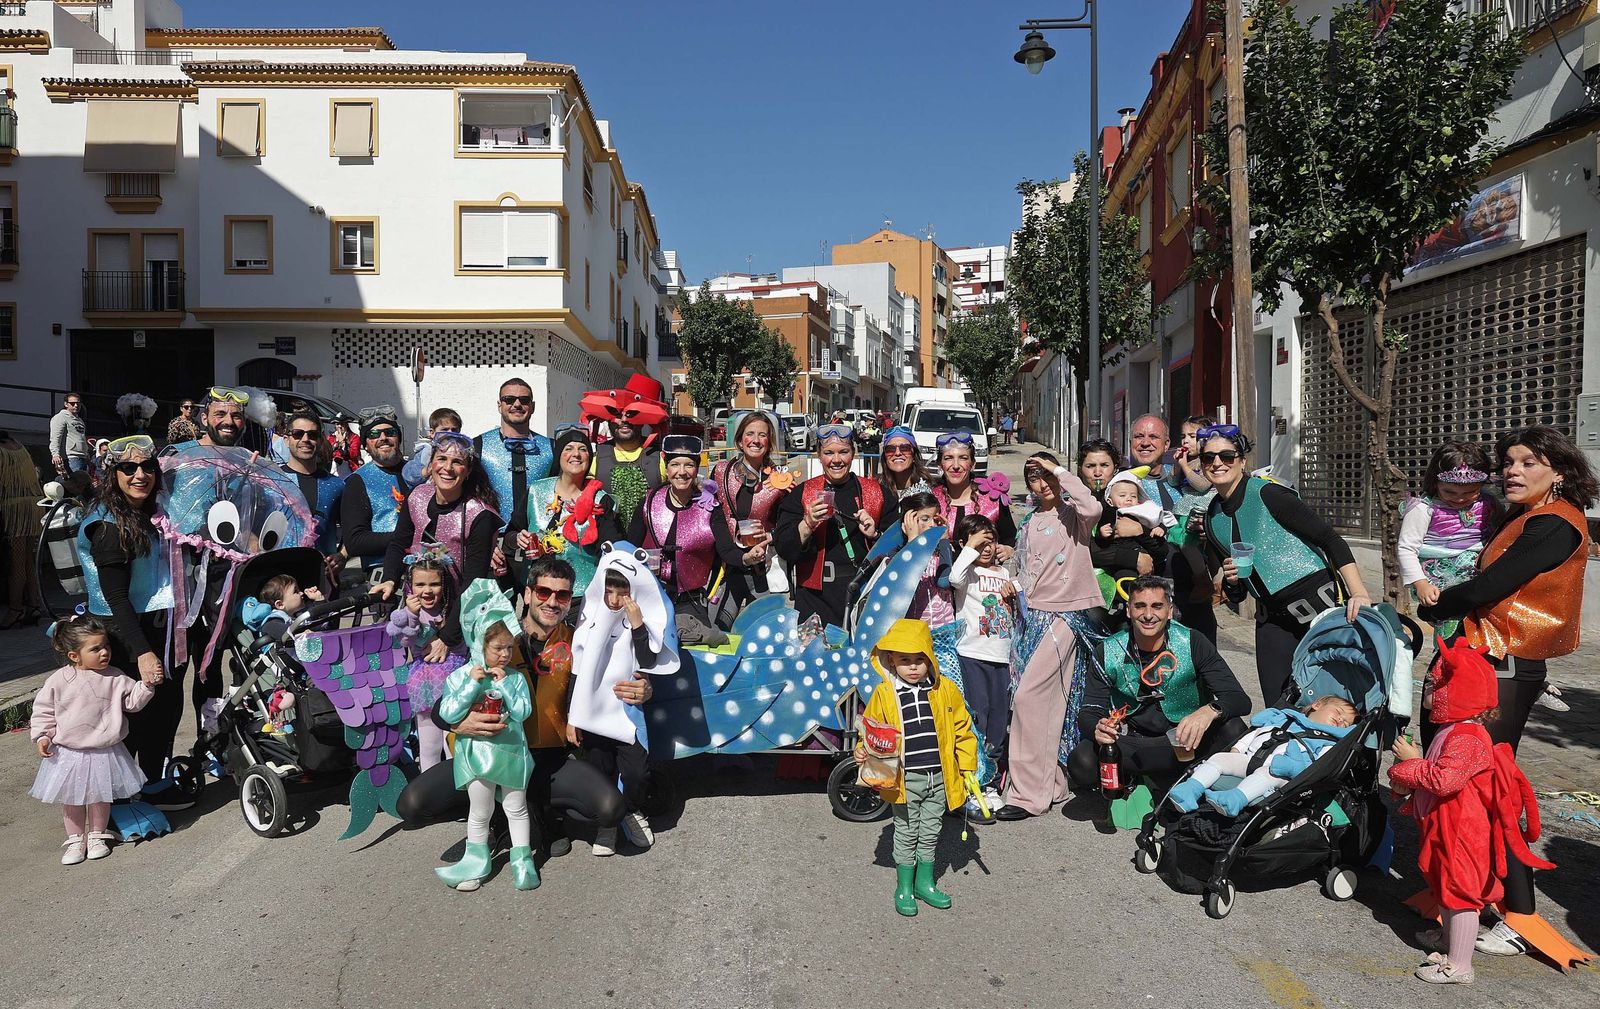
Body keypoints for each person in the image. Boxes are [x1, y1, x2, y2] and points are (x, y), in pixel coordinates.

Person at [1416, 425, 1595, 961]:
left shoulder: (1555, 525)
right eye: (1508, 462)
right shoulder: (1522, 518)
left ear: (1559, 472)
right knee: (1460, 785)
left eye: (1527, 462)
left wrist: (1434, 606)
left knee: (1489, 789)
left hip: (1505, 668)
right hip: (1480, 660)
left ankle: (1519, 913)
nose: (1511, 470)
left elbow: (1490, 587)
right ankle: (1465, 902)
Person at [396, 556, 644, 863]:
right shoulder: (494, 638)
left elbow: (618, 673)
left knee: (609, 807)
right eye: (543, 592)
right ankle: (494, 815)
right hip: (489, 757)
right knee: (412, 804)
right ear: (526, 594)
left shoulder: (579, 641)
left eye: (562, 595)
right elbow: (441, 706)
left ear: (569, 602)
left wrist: (645, 687)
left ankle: (539, 812)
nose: (552, 602)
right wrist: (458, 725)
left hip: (547, 762)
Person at [1388, 637, 1553, 984]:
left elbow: (1445, 780)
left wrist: (1408, 766)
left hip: (1463, 831)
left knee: (1460, 893)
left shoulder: (1467, 736)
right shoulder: (1451, 730)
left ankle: (1460, 965)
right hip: (1445, 826)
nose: (1427, 691)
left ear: (1459, 692)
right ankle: (1450, 941)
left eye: (1435, 685)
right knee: (1444, 884)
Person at [1200, 424, 1372, 703]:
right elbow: (1238, 594)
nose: (1217, 463)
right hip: (1272, 619)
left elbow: (1330, 539)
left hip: (1319, 606)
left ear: (1242, 461)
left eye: (1227, 456)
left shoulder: (1268, 494)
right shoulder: (1212, 517)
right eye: (1209, 458)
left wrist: (1359, 592)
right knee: (1278, 704)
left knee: (1336, 700)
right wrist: (1232, 581)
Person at [73, 435, 184, 807]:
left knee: (162, 710)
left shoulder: (152, 511)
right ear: (113, 474)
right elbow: (116, 597)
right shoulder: (108, 525)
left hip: (156, 623)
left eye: (147, 467)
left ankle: (153, 783)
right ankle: (120, 798)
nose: (140, 475)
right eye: (129, 468)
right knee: (127, 719)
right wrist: (142, 652)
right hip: (122, 635)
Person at [1067, 576, 1251, 797]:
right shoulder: (1108, 650)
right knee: (1082, 762)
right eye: (1140, 606)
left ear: (1170, 610)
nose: (1148, 615)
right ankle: (1148, 778)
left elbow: (1238, 699)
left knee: (1234, 728)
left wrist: (1208, 711)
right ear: (1128, 610)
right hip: (1134, 744)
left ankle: (1184, 777)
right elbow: (1088, 710)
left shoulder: (1192, 641)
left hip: (1185, 743)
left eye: (1157, 606)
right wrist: (1098, 728)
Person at [994, 453, 1103, 821]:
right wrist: (1013, 584)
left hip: (1064, 619)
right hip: (1031, 618)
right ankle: (1051, 784)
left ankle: (1027, 796)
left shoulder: (1075, 516)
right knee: (1046, 704)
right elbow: (1027, 571)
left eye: (1047, 476)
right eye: (1034, 478)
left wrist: (1059, 470)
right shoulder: (1029, 521)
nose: (1043, 485)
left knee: (1030, 700)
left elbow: (1092, 504)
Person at [853, 617, 977, 916]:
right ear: (892, 661)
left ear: (930, 660)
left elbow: (962, 728)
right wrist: (862, 751)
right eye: (905, 660)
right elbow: (872, 731)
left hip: (939, 777)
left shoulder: (944, 690)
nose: (912, 667)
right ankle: (904, 886)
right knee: (907, 831)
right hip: (904, 779)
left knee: (932, 830)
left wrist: (967, 766)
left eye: (919, 660)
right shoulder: (885, 694)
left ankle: (925, 882)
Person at [431, 578, 539, 892]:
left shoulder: (515, 678)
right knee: (479, 810)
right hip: (477, 754)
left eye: (509, 647)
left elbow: (522, 712)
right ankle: (476, 862)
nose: (505, 654)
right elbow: (448, 714)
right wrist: (470, 686)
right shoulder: (460, 676)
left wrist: (505, 684)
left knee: (516, 807)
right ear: (479, 642)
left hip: (509, 753)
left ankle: (523, 862)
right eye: (497, 648)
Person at [30, 615, 155, 865]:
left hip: (105, 750)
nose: (104, 652)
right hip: (68, 752)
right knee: (72, 799)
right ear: (74, 655)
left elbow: (132, 703)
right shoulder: (58, 680)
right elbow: (43, 710)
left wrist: (147, 686)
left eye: (106, 646)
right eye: (95, 649)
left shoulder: (116, 677)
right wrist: (43, 736)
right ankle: (75, 839)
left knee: (100, 797)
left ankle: (97, 835)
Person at [568, 565, 675, 856]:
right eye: (609, 592)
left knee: (637, 772)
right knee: (598, 768)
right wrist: (572, 717)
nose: (615, 600)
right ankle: (608, 823)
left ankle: (629, 810)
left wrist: (638, 625)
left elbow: (648, 660)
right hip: (594, 715)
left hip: (627, 714)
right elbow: (578, 671)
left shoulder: (634, 622)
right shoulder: (589, 622)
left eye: (623, 592)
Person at [773, 424, 896, 628]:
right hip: (815, 598)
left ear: (853, 454)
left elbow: (897, 545)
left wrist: (875, 534)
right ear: (819, 456)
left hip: (864, 593)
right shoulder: (803, 493)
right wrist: (807, 523)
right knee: (815, 658)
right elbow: (784, 547)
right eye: (829, 453)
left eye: (843, 452)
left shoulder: (877, 493)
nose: (836, 460)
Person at [1168, 696, 1357, 816]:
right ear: (1317, 704)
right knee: (1219, 758)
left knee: (1268, 773)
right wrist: (1238, 749)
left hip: (1282, 775)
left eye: (1346, 723)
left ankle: (1234, 799)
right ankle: (1189, 790)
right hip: (1252, 759)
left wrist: (1294, 768)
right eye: (1338, 712)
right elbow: (1257, 733)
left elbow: (1319, 767)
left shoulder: (1328, 743)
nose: (1341, 720)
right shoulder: (1284, 718)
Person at [630, 435, 735, 645]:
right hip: (649, 598)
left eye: (689, 465)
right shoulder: (649, 502)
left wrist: (750, 556)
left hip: (691, 602)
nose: (682, 472)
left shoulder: (709, 507)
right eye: (675, 464)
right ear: (666, 467)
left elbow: (727, 550)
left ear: (697, 469)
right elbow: (629, 547)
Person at [949, 513, 1019, 809]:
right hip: (972, 655)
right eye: (980, 542)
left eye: (991, 540)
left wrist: (1015, 588)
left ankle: (989, 782)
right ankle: (970, 780)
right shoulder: (966, 574)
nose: (986, 548)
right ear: (964, 545)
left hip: (1002, 658)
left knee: (998, 720)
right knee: (977, 716)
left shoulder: (1004, 574)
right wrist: (972, 547)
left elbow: (1022, 591)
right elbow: (953, 577)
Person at [378, 431, 501, 597]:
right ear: (431, 465)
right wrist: (389, 579)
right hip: (415, 602)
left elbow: (473, 581)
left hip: (460, 605)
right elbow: (398, 543)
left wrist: (451, 622)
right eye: (442, 459)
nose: (448, 468)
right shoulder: (416, 496)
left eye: (457, 462)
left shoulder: (479, 514)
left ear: (468, 471)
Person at [1398, 442, 1498, 634]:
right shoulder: (1423, 508)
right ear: (1435, 482)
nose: (1460, 499)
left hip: (1479, 571)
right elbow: (1406, 548)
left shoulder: (1488, 503)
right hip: (1439, 575)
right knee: (1451, 626)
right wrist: (1420, 583)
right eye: (1450, 492)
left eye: (1470, 492)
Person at [507, 427, 618, 597]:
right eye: (568, 449)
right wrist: (517, 539)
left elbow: (612, 549)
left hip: (582, 595)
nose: (576, 454)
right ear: (559, 456)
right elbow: (511, 532)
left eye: (583, 449)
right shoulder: (536, 491)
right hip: (539, 591)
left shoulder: (601, 500)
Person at [385, 550, 461, 770]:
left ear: (444, 585)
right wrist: (411, 614)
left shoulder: (453, 610)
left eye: (434, 584)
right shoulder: (409, 613)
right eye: (420, 585)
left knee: (453, 743)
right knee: (429, 745)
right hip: (425, 684)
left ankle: (459, 792)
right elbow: (406, 641)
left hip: (455, 684)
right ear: (410, 586)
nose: (427, 591)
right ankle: (430, 792)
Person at [708, 412, 790, 605]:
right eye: (750, 433)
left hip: (763, 569)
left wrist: (772, 536)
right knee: (719, 631)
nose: (755, 440)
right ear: (739, 441)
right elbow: (713, 515)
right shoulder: (721, 471)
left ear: (769, 442)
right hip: (726, 566)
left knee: (761, 629)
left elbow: (788, 523)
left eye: (762, 435)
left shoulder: (779, 480)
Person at [474, 377, 554, 532]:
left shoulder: (551, 448)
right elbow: (469, 498)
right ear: (499, 405)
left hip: (538, 542)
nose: (517, 404)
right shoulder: (478, 445)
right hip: (492, 543)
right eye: (509, 399)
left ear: (532, 406)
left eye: (524, 400)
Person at [588, 375, 668, 531]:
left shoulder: (660, 456)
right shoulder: (594, 456)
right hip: (607, 546)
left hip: (649, 544)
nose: (624, 420)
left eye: (631, 414)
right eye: (618, 414)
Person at [340, 405, 411, 573]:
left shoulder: (416, 473)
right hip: (382, 571)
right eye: (374, 434)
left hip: (426, 573)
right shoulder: (358, 481)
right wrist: (406, 537)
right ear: (365, 444)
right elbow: (355, 541)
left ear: (398, 438)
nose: (383, 438)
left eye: (390, 432)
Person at [933, 430, 1016, 552]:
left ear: (973, 464)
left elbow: (1010, 538)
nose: (955, 465)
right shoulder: (931, 499)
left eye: (963, 458)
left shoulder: (993, 499)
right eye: (948, 458)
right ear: (940, 464)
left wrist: (1008, 549)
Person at [280, 409, 345, 561]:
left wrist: (342, 556)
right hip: (279, 576)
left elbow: (352, 530)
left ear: (320, 440)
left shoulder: (336, 485)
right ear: (286, 439)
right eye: (298, 434)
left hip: (323, 575)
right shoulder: (272, 480)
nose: (305, 439)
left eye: (312, 435)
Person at [1093, 469, 1172, 584]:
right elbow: (1100, 541)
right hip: (1122, 558)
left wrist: (1160, 529)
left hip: (1147, 554)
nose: (1129, 499)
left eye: (1133, 496)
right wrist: (1102, 533)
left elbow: (1157, 522)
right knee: (1125, 578)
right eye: (1122, 495)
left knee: (1150, 583)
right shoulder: (1109, 513)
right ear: (1110, 501)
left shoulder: (1143, 511)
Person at [0, 428, 44, 628]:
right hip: (33, 506)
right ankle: (34, 605)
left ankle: (15, 609)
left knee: (16, 564)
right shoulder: (19, 445)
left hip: (13, 508)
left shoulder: (2, 451)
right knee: (29, 560)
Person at [241, 573, 324, 642]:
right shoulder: (273, 620)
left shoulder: (297, 614)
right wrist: (301, 633)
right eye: (296, 591)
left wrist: (319, 599)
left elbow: (320, 623)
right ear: (280, 604)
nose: (301, 593)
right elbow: (273, 629)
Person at [403, 407, 462, 487]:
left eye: (454, 430)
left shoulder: (462, 451)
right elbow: (407, 472)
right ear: (432, 433)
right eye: (445, 430)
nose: (450, 433)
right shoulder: (427, 450)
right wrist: (425, 471)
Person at [877, 426, 932, 499]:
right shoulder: (876, 490)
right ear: (885, 457)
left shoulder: (929, 490)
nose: (897, 453)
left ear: (914, 455)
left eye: (904, 448)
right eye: (890, 449)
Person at [50, 393, 89, 477]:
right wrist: (55, 454)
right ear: (66, 404)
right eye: (72, 403)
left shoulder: (80, 420)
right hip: (71, 458)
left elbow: (81, 437)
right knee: (75, 484)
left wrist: (86, 453)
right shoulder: (60, 417)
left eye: (78, 403)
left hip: (82, 457)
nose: (76, 405)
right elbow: (55, 437)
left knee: (83, 485)